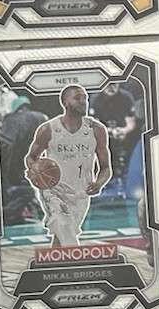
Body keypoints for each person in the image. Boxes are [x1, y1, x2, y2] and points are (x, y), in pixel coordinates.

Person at [23, 84, 111, 246]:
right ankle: (76, 260)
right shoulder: (48, 129)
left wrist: (99, 183)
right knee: (65, 229)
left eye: (85, 98)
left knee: (62, 237)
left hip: (81, 192)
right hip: (53, 190)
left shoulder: (96, 129)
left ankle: (55, 262)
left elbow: (105, 167)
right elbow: (31, 157)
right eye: (77, 98)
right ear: (65, 102)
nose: (83, 102)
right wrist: (34, 169)